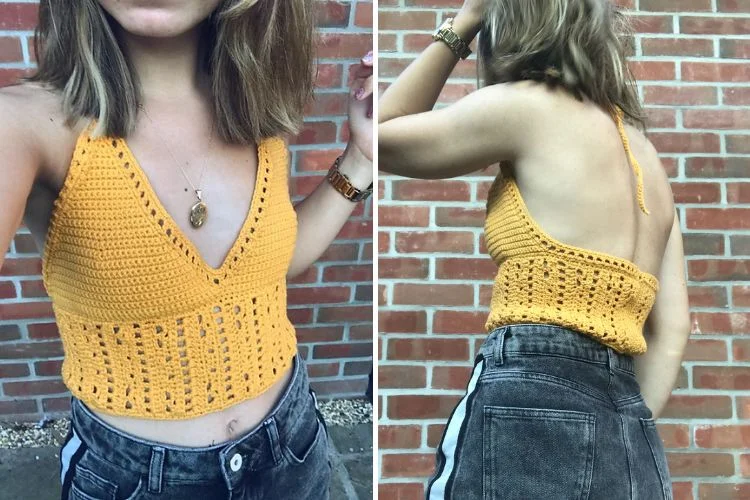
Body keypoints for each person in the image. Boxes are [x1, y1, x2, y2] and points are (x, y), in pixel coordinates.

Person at [0, 1, 373, 498]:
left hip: (294, 449)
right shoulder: (27, 124)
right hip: (138, 480)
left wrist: (361, 158)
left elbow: (266, 270)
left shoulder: (252, 109)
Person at [379, 0, 689, 498]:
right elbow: (672, 326)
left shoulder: (527, 105)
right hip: (631, 429)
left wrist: (464, 23)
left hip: (531, 392)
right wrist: (615, 424)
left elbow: (376, 136)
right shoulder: (648, 160)